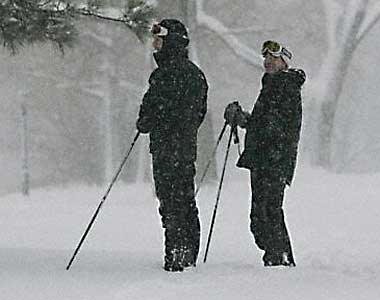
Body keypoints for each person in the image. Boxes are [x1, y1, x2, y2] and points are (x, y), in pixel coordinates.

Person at [224, 40, 305, 267]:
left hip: (274, 160)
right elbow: (266, 124)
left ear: (284, 61)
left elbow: (276, 127)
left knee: (266, 215)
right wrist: (245, 119)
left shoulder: (286, 87)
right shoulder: (273, 86)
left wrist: (245, 120)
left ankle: (279, 261)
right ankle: (279, 259)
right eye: (266, 57)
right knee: (264, 215)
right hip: (265, 159)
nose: (268, 61)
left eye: (274, 58)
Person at [136, 19, 208, 272]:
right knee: (183, 200)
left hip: (169, 149)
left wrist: (151, 120)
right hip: (183, 148)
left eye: (159, 40)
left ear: (172, 42)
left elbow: (153, 111)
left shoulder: (167, 75)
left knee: (172, 201)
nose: (155, 45)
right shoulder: (193, 74)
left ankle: (178, 254)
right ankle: (186, 251)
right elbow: (197, 114)